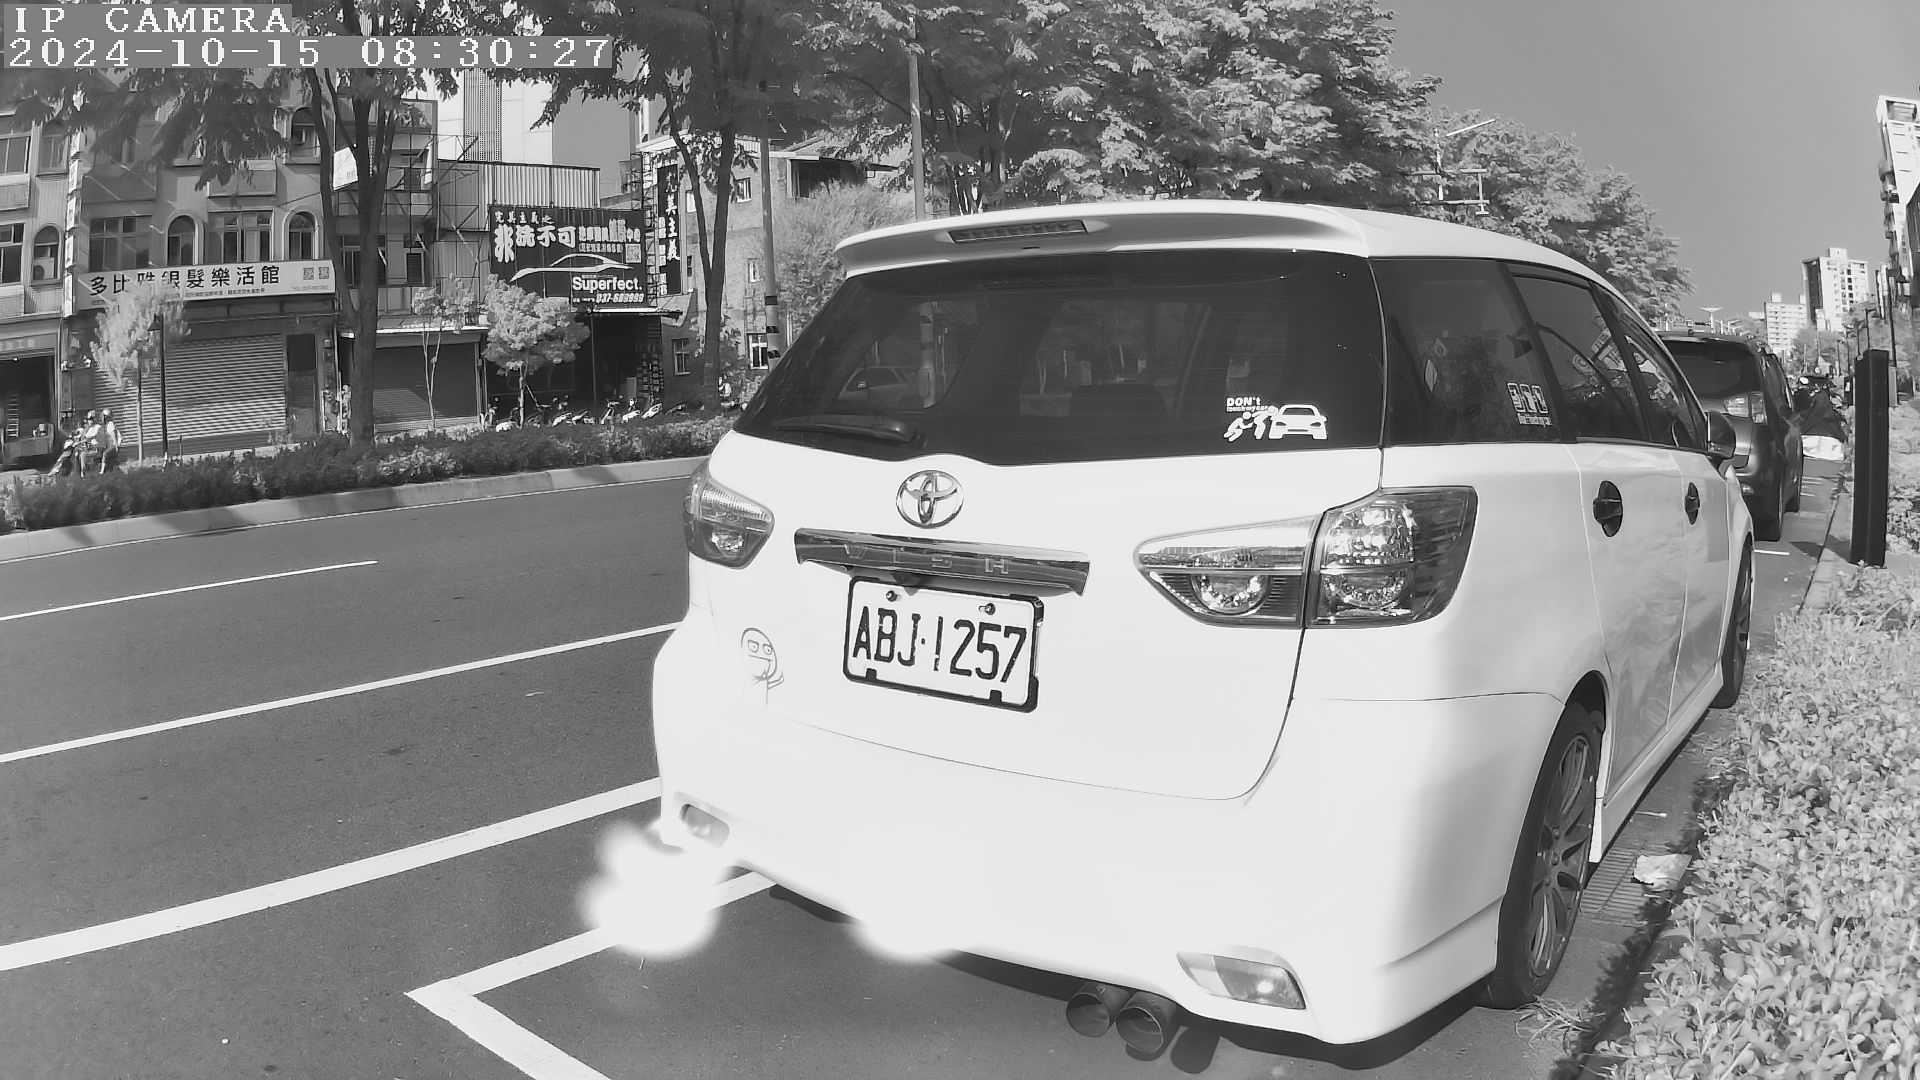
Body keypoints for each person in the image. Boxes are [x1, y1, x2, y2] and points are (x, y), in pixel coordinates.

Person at [95, 407, 122, 473]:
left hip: (113, 445)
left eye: (103, 416)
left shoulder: (110, 424)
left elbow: (113, 436)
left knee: (105, 454)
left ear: (106, 417)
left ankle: (102, 472)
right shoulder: (106, 425)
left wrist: (116, 446)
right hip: (110, 445)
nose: (101, 418)